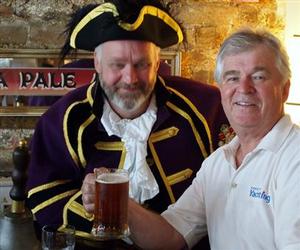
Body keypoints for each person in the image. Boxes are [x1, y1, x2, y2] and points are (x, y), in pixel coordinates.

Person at [26, 0, 230, 247]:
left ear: (157, 63)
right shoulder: (62, 120)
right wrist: (91, 207)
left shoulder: (205, 107)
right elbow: (45, 197)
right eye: (117, 65)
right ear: (97, 64)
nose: (130, 78)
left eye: (141, 64)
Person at [106, 28, 300, 249]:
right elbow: (171, 237)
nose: (244, 88)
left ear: (284, 90)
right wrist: (121, 204)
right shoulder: (219, 162)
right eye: (232, 77)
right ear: (221, 89)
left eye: (258, 77)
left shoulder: (294, 158)